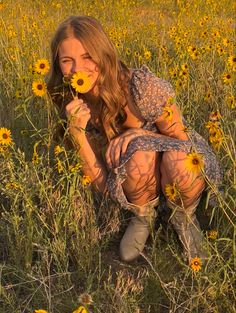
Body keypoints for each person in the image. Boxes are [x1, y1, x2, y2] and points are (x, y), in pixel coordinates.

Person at [47, 15, 222, 263]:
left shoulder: (140, 87)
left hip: (177, 163)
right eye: (67, 60)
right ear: (58, 64)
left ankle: (183, 217)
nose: (78, 69)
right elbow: (101, 185)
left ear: (103, 53)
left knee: (174, 157)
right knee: (137, 154)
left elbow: (182, 139)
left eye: (87, 56)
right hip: (138, 182)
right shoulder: (70, 102)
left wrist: (140, 134)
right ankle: (143, 216)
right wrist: (76, 133)